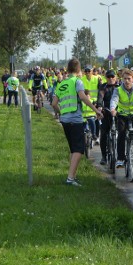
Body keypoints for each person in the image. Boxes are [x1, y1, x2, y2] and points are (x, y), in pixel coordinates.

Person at [51, 58, 103, 186]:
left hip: (65, 120)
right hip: (76, 120)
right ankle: (70, 179)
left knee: (73, 149)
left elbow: (53, 104)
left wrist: (61, 113)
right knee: (79, 150)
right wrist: (96, 110)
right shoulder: (77, 82)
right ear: (79, 70)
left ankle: (72, 176)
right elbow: (83, 97)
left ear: (68, 70)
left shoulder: (61, 84)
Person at [97, 69, 118, 166]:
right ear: (106, 78)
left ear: (115, 77)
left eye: (112, 76)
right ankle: (104, 157)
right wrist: (100, 107)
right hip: (106, 112)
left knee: (122, 132)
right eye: (108, 77)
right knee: (104, 134)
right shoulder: (103, 87)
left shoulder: (120, 86)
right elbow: (100, 97)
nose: (110, 79)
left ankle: (123, 155)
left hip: (118, 112)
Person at [80, 65, 102, 143]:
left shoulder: (97, 79)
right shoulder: (81, 80)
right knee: (83, 124)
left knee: (94, 121)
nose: (87, 73)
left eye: (89, 71)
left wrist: (98, 103)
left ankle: (95, 135)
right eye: (86, 71)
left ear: (92, 71)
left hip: (94, 103)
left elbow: (100, 92)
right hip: (84, 103)